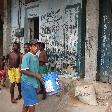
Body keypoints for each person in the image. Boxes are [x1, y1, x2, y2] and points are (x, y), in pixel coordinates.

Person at [21, 41, 42, 112]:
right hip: (27, 83)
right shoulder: (27, 56)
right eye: (34, 46)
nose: (37, 47)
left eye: (38, 46)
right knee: (32, 104)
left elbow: (37, 71)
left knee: (27, 103)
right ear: (30, 47)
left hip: (33, 83)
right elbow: (23, 70)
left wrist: (39, 82)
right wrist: (36, 75)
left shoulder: (36, 57)